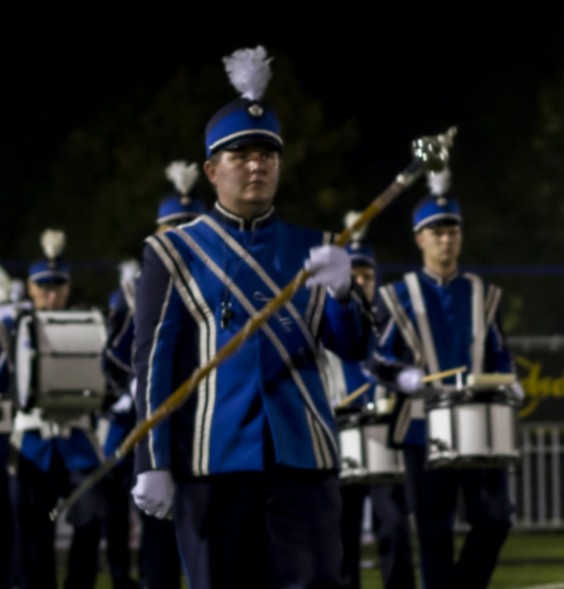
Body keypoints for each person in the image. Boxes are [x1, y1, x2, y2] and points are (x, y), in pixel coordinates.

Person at [130, 46, 369, 588]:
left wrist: (342, 296)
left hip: (303, 459)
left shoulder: (317, 247)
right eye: (240, 155)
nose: (256, 165)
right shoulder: (173, 253)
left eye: (267, 154)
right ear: (213, 170)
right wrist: (151, 459)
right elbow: (152, 363)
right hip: (211, 462)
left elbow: (353, 347)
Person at [374, 169, 517, 589]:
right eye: (435, 232)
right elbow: (373, 358)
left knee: (495, 518)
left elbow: (499, 353)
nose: (446, 239)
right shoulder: (397, 295)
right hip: (421, 430)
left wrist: (508, 377)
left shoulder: (481, 293)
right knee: (433, 534)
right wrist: (403, 377)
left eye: (452, 231)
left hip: (478, 424)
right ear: (419, 238)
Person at [100, 161, 204, 589]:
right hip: (159, 431)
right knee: (159, 549)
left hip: (208, 429)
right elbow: (116, 355)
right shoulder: (146, 287)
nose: (182, 237)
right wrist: (136, 383)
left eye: (190, 227)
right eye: (173, 228)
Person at [7, 229, 105, 589]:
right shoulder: (14, 327)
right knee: (32, 532)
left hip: (76, 443)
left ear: (67, 288)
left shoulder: (88, 324)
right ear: (31, 288)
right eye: (43, 287)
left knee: (90, 517)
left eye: (57, 286)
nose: (51, 295)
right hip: (31, 444)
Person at [329, 213, 416, 589]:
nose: (361, 282)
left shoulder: (390, 322)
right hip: (340, 440)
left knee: (394, 528)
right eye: (354, 275)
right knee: (342, 535)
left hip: (385, 440)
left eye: (366, 276)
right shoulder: (329, 322)